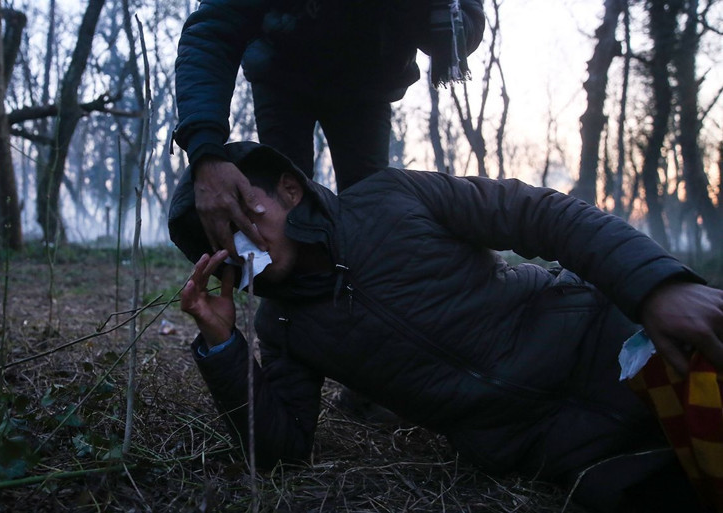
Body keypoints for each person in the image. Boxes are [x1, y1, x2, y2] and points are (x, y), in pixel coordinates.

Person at [168, 142, 723, 512]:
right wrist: (224, 345)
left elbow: (541, 216)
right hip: (568, 453)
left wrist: (657, 288)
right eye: (220, 239)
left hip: (611, 344)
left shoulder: (392, 199)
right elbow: (282, 452)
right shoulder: (284, 326)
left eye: (244, 214)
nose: (239, 242)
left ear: (290, 190)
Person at [171, 0, 486, 260]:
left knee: (371, 211)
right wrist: (205, 152)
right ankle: (287, 316)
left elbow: (464, 24)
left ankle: (366, 304)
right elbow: (212, 31)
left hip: (367, 85)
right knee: (282, 210)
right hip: (280, 72)